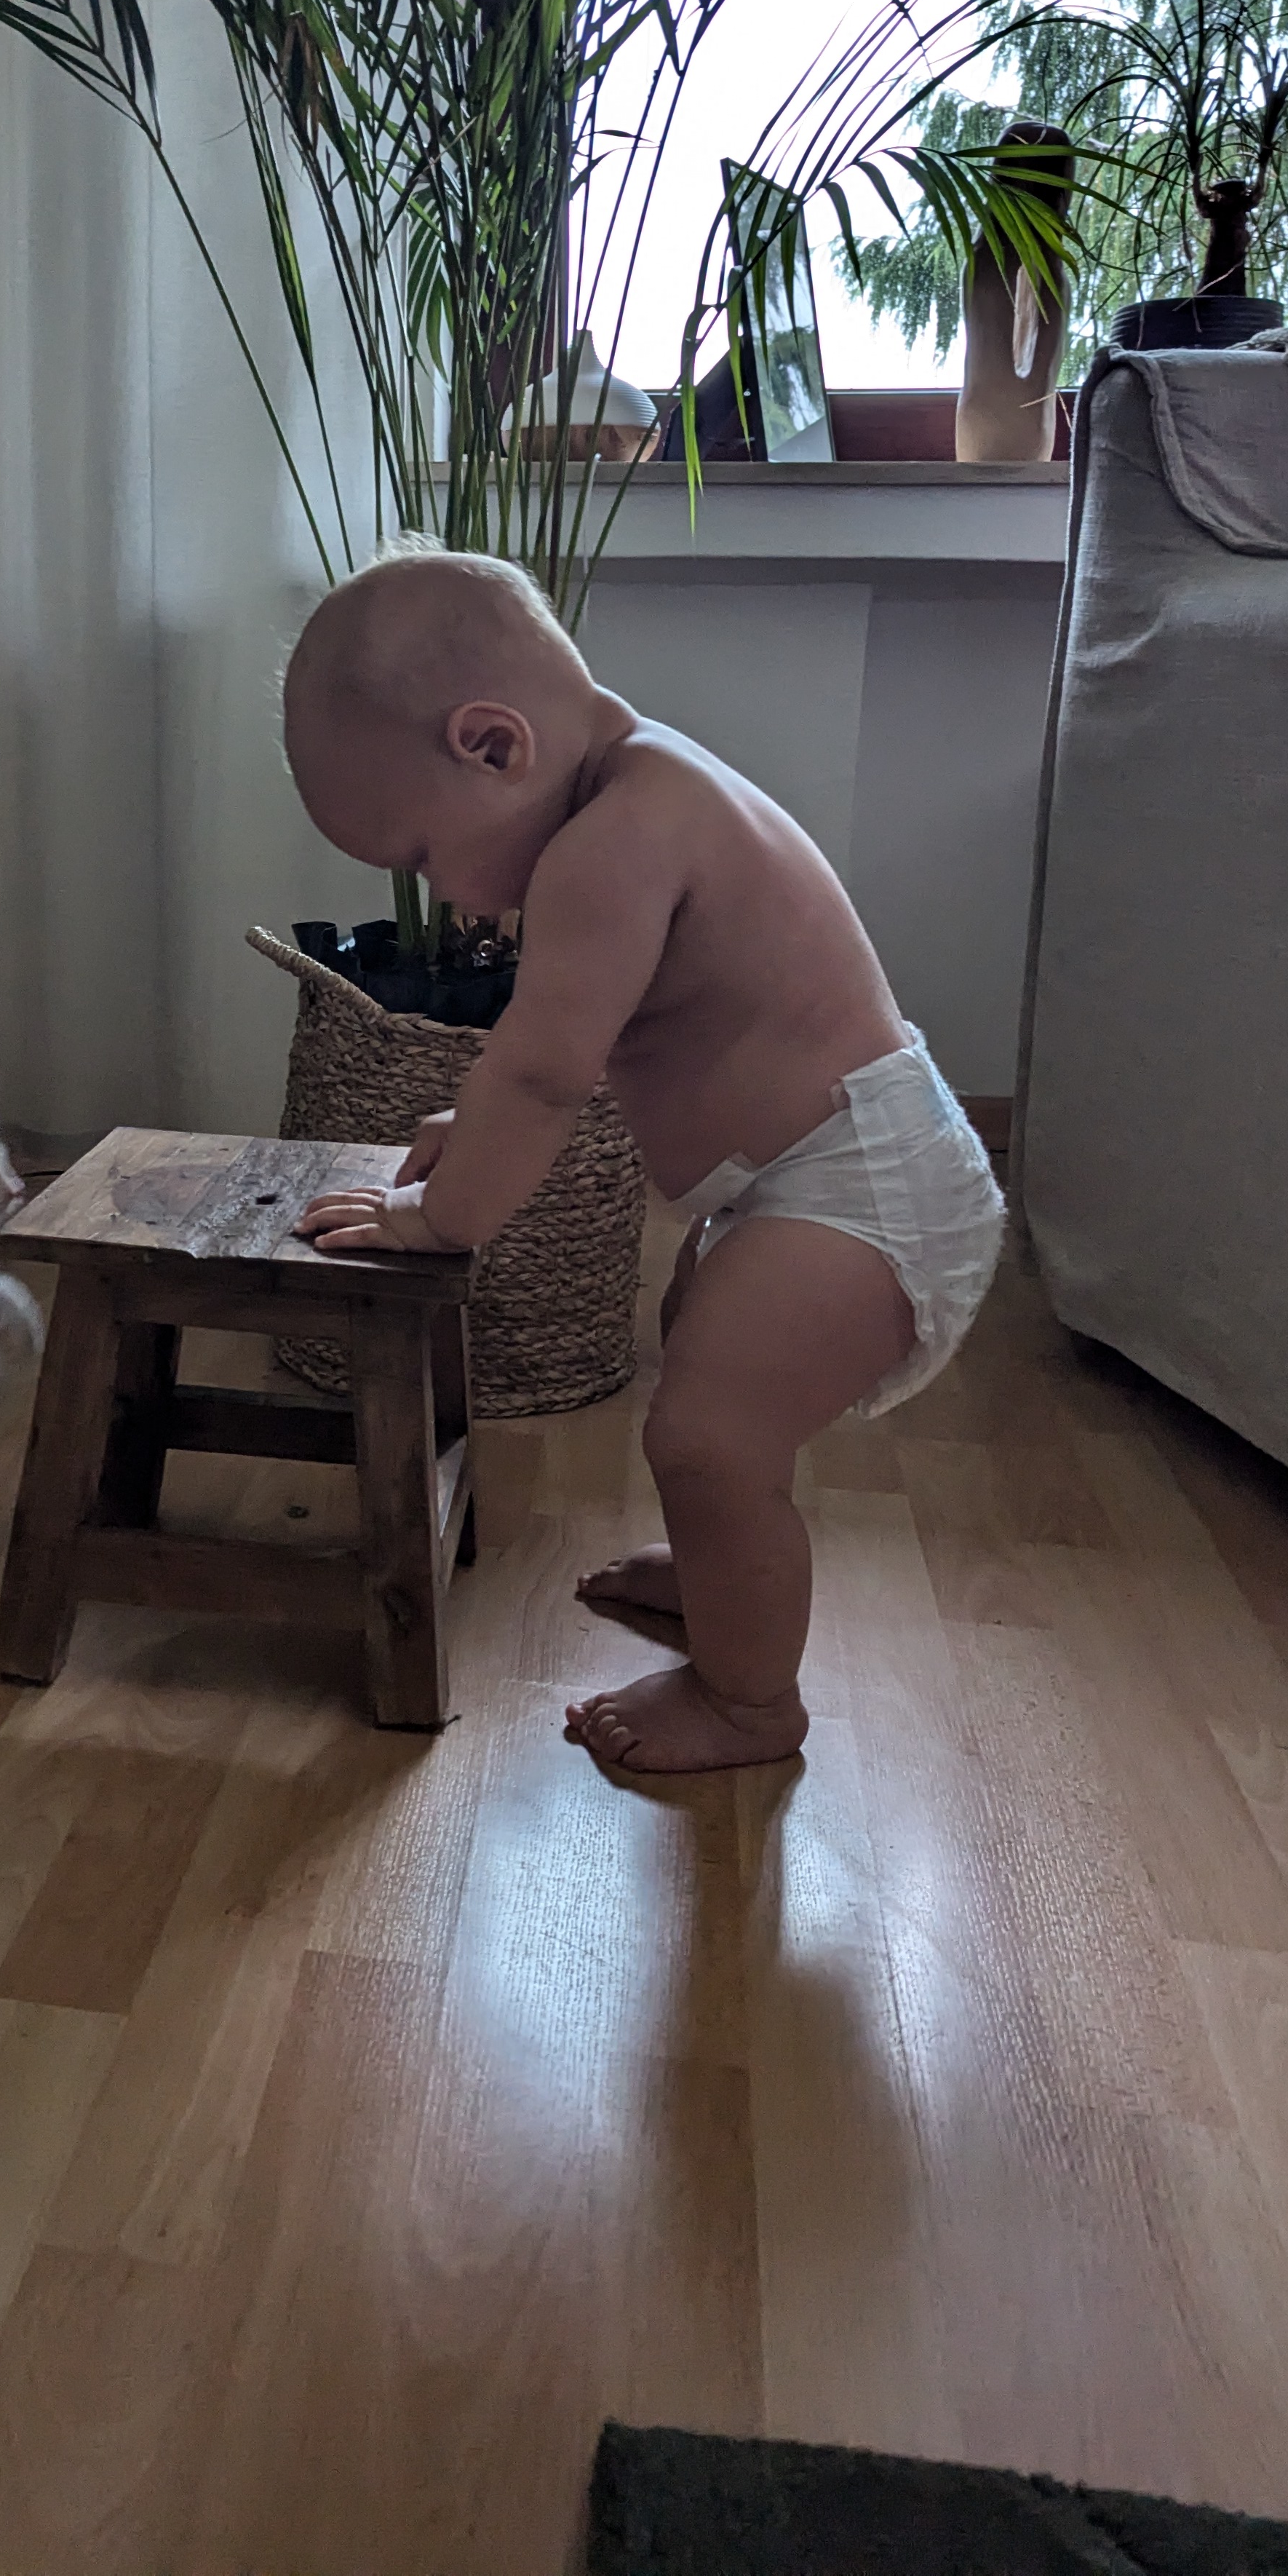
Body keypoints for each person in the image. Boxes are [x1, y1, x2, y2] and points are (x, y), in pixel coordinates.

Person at [284, 543, 1003, 1774]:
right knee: (706, 1368)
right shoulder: (644, 786)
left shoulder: (612, 844)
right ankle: (725, 1567)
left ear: (492, 745)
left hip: (870, 1185)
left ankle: (750, 1705)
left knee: (709, 1435)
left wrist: (440, 1218)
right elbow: (582, 1052)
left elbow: (545, 1072)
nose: (443, 901)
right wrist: (472, 1131)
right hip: (840, 1161)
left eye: (420, 858)